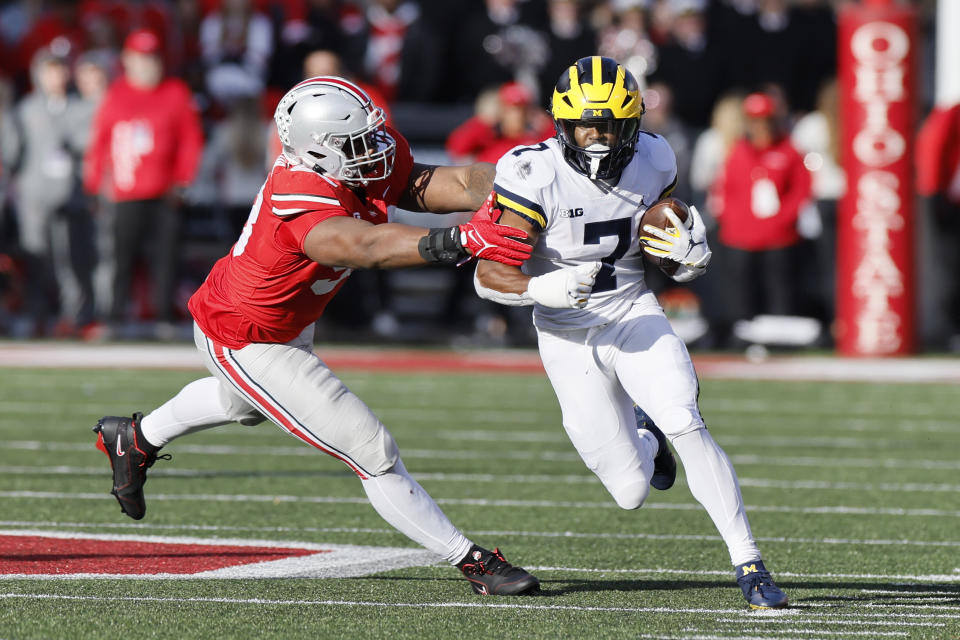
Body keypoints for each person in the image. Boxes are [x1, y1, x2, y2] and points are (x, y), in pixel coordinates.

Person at [91, 75, 557, 596]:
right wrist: (462, 238)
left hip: (284, 323)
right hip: (245, 335)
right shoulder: (302, 192)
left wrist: (521, 189)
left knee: (244, 404)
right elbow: (367, 245)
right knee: (370, 448)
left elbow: (437, 182)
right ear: (317, 151)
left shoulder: (357, 156)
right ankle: (472, 562)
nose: (376, 151)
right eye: (358, 144)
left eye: (373, 137)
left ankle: (135, 438)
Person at [472, 56, 789, 609]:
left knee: (686, 420)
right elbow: (488, 275)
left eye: (611, 125)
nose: (597, 138)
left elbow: (663, 235)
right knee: (630, 492)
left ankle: (750, 563)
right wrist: (542, 289)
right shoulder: (532, 172)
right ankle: (646, 440)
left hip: (630, 309)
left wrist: (686, 256)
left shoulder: (655, 157)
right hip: (565, 333)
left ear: (634, 123)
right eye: (585, 125)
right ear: (560, 124)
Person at [83, 29, 204, 338]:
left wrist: (183, 180)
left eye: (153, 58)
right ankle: (113, 318)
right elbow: (100, 143)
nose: (148, 65)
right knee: (120, 258)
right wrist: (94, 184)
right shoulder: (117, 94)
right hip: (125, 193)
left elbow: (191, 140)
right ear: (128, 59)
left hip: (165, 193)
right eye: (141, 58)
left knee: (165, 259)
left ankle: (164, 318)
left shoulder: (175, 92)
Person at [713, 91, 812, 331]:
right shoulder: (738, 151)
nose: (761, 126)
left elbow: (801, 191)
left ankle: (781, 336)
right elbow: (726, 190)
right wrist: (732, 223)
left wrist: (782, 221)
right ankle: (741, 335)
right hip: (741, 238)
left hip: (779, 237)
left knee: (779, 290)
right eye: (755, 120)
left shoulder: (789, 151)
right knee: (742, 293)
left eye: (766, 120)